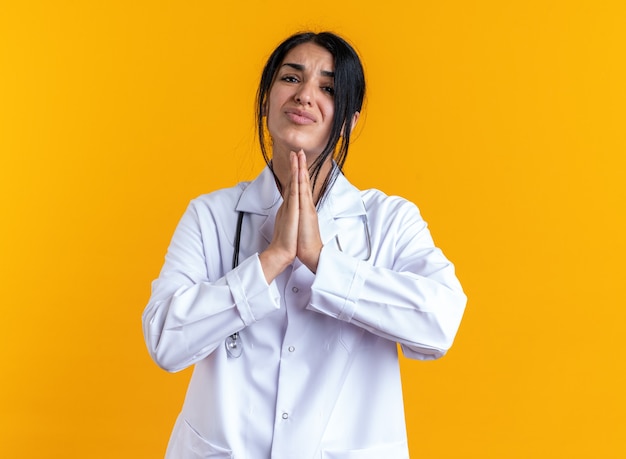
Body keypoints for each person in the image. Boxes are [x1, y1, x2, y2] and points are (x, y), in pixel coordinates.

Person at [142, 31, 467, 459]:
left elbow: (439, 323)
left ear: (349, 119)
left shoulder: (389, 220)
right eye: (291, 79)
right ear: (265, 101)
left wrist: (323, 263)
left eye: (328, 88)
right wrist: (271, 259)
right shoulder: (211, 216)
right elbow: (165, 340)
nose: (305, 96)